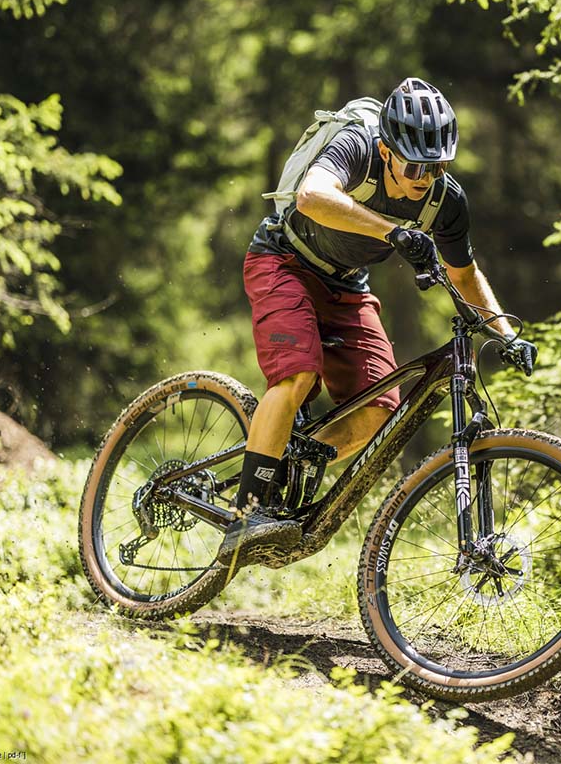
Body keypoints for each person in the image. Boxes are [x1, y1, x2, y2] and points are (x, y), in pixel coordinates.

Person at [220, 77, 537, 564]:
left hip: (346, 285)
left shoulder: (444, 203)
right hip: (283, 259)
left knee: (379, 412)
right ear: (388, 151)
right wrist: (393, 233)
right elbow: (312, 197)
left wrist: (506, 334)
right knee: (299, 373)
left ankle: (295, 464)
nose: (424, 177)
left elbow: (465, 275)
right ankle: (248, 512)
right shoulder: (358, 148)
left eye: (437, 166)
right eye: (414, 164)